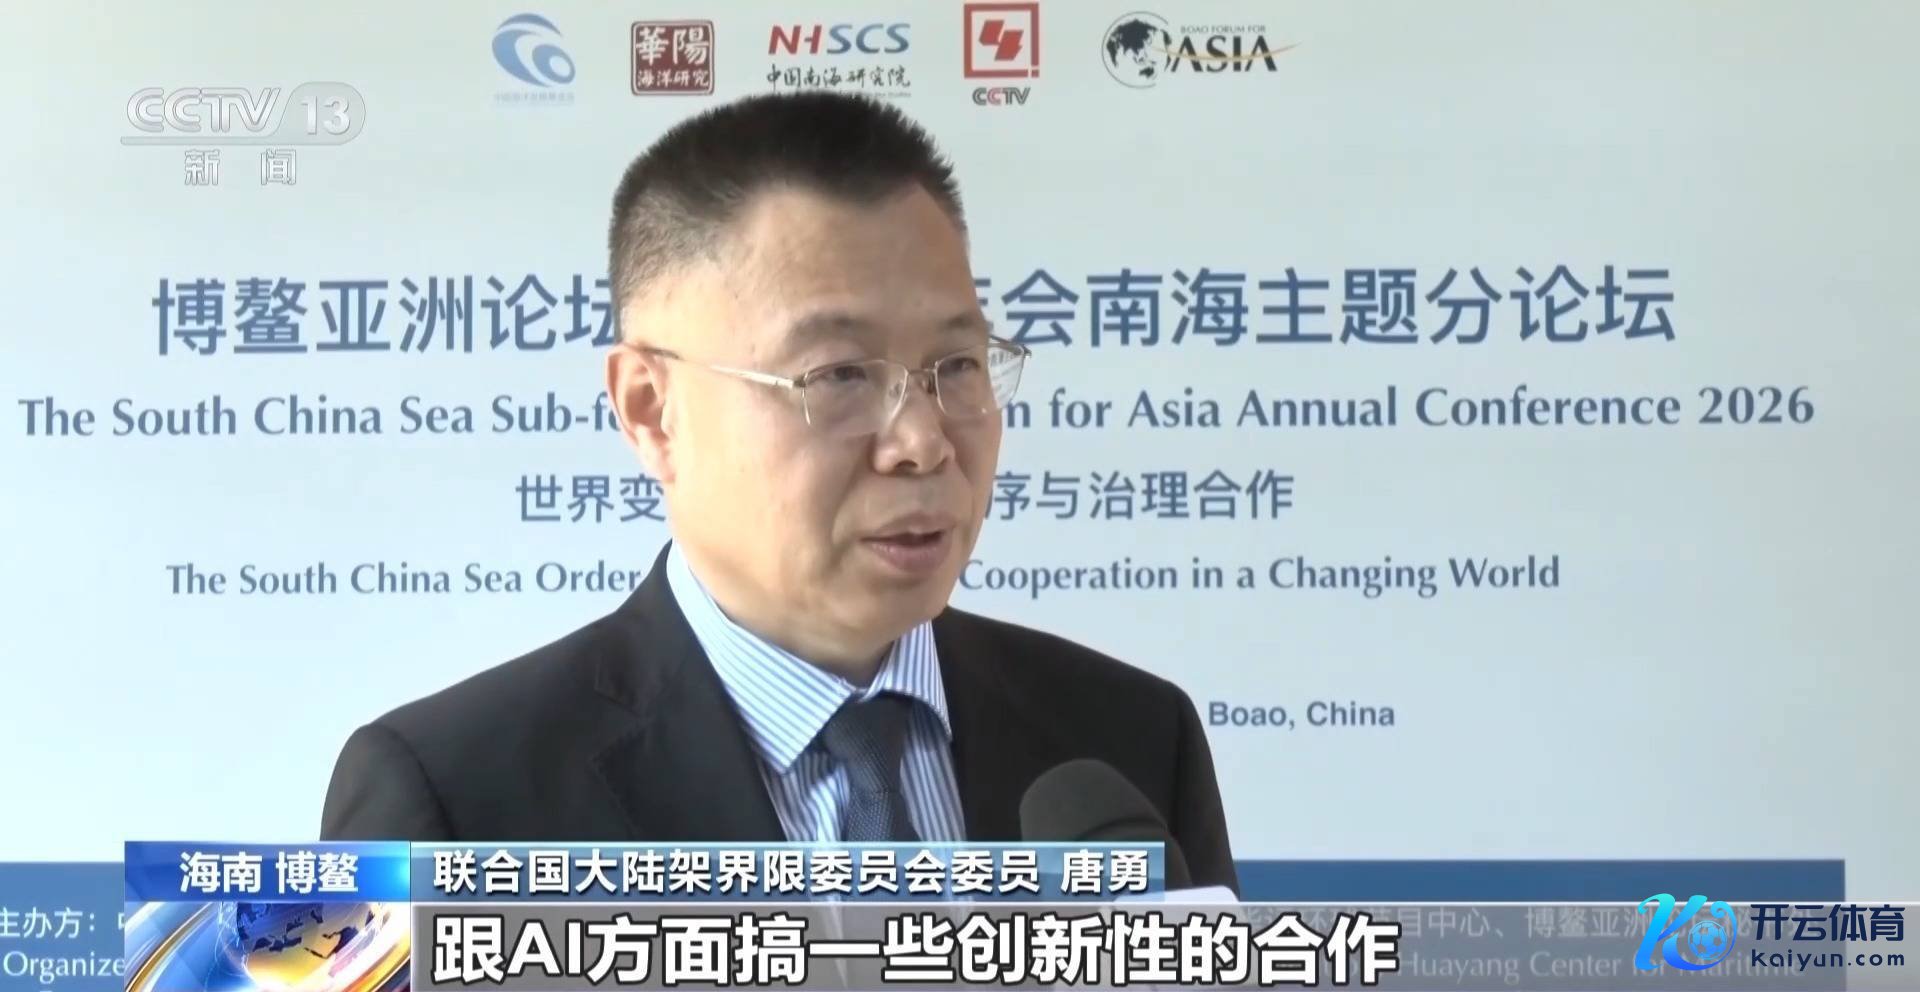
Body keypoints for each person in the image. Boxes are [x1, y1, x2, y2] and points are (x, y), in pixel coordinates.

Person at [319, 91, 1238, 893]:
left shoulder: (1129, 742)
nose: (923, 441)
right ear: (651, 411)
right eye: (839, 375)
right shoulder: (448, 800)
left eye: (957, 364)